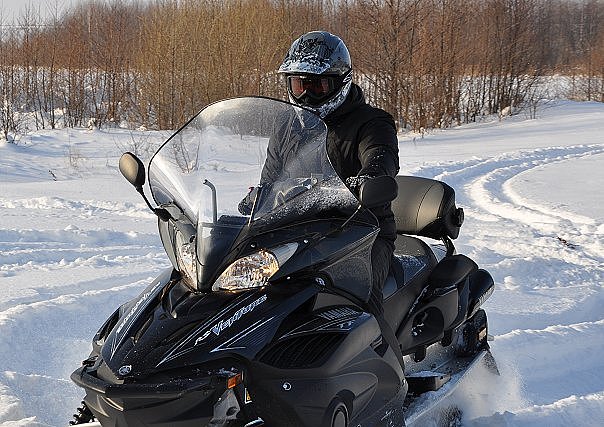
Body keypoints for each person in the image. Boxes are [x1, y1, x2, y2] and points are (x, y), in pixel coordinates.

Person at [241, 30, 399, 315]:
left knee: (356, 299)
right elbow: (271, 178)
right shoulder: (287, 125)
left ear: (341, 81)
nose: (305, 94)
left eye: (317, 86)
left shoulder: (372, 123)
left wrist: (368, 180)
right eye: (299, 85)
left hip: (361, 232)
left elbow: (381, 157)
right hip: (296, 232)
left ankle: (379, 341)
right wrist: (259, 199)